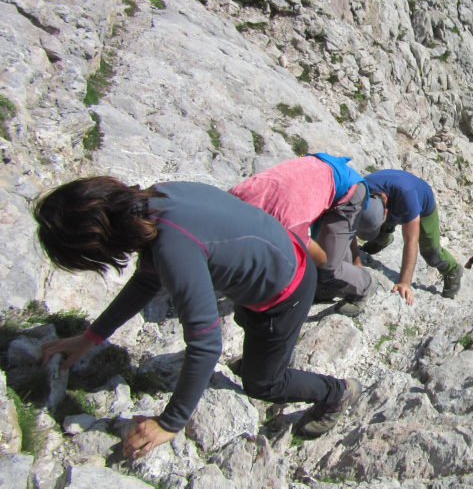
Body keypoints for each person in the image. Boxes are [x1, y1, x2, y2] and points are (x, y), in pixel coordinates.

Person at [34, 176, 361, 456]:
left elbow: (205, 344)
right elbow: (148, 278)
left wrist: (170, 422)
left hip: (286, 291)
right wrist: (90, 338)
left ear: (95, 245)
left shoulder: (172, 246)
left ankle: (338, 392)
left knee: (264, 383)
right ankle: (267, 352)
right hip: (276, 253)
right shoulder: (155, 199)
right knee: (251, 332)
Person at [229, 153, 385, 316]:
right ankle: (338, 281)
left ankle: (365, 284)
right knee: (329, 254)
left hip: (348, 190)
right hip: (319, 171)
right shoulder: (237, 195)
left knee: (327, 268)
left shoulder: (286, 225)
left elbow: (320, 257)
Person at [359, 169, 461, 302]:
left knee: (431, 253)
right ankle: (382, 239)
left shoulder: (408, 198)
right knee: (376, 232)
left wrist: (404, 283)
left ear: (386, 211)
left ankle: (452, 269)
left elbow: (411, 241)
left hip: (423, 204)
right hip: (391, 199)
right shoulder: (361, 189)